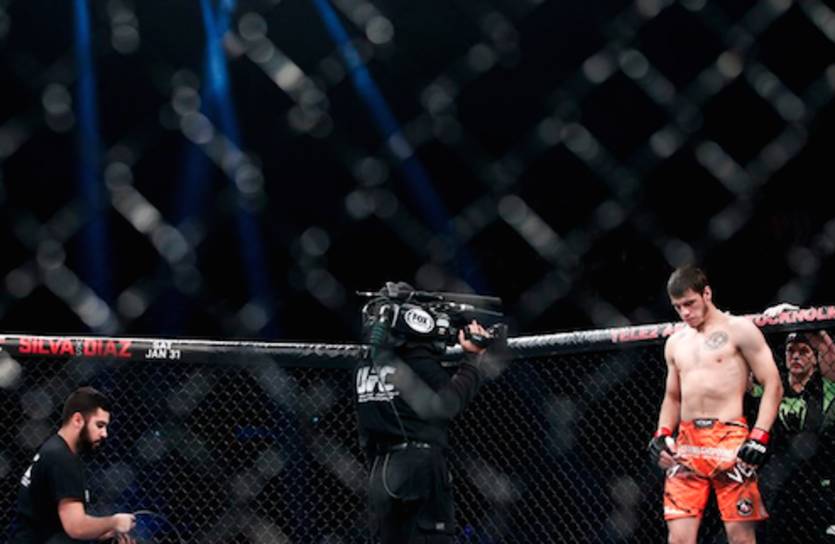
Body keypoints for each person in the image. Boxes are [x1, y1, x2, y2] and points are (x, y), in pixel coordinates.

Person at [354, 282, 507, 543]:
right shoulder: (414, 360)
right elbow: (449, 402)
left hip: (381, 468)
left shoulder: (364, 364)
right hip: (419, 466)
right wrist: (473, 360)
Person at [648, 266, 783, 544]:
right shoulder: (675, 342)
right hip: (686, 444)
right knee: (679, 539)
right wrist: (662, 433)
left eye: (690, 303)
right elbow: (673, 396)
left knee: (740, 538)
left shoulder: (740, 330)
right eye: (678, 307)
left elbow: (773, 384)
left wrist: (759, 436)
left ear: (706, 293)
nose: (685, 313)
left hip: (730, 441)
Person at [9, 386, 136, 543]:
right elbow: (76, 527)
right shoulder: (62, 459)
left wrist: (104, 531)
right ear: (77, 420)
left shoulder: (54, 448)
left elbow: (58, 522)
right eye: (99, 425)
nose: (104, 434)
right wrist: (114, 522)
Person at [750, 330, 835, 542]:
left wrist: (809, 323)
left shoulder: (825, 386)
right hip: (777, 479)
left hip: (816, 478)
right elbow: (744, 380)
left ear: (815, 359)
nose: (796, 356)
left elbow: (830, 358)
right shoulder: (773, 386)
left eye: (804, 351)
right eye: (791, 351)